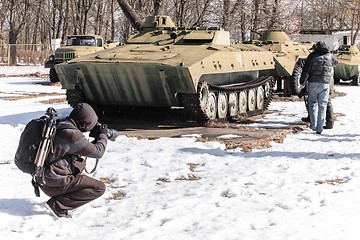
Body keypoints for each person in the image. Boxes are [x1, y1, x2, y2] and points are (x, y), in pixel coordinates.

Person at [41, 103, 116, 219]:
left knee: (79, 166)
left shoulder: (60, 125)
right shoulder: (71, 135)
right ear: (85, 122)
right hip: (53, 183)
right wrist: (103, 135)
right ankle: (58, 205)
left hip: (42, 179)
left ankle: (61, 197)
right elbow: (98, 152)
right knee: (99, 187)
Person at [299, 41, 338, 134]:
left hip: (312, 83)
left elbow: (306, 70)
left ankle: (313, 125)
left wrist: (302, 82)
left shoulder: (312, 56)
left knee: (312, 104)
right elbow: (336, 62)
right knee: (323, 106)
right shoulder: (330, 56)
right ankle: (319, 128)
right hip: (325, 83)